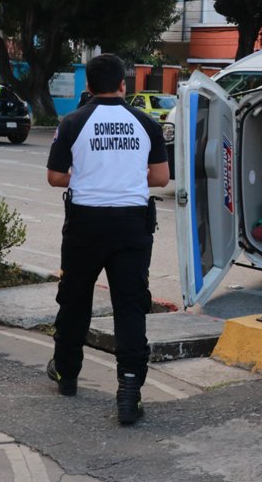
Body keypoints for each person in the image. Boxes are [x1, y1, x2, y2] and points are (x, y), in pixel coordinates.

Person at [44, 54, 169, 425]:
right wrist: (124, 179)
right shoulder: (146, 123)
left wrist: (86, 179)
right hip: (132, 226)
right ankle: (129, 389)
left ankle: (67, 374)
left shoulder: (73, 122)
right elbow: (161, 178)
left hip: (85, 225)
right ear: (123, 85)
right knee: (130, 307)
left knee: (74, 298)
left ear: (88, 86)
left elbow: (54, 176)